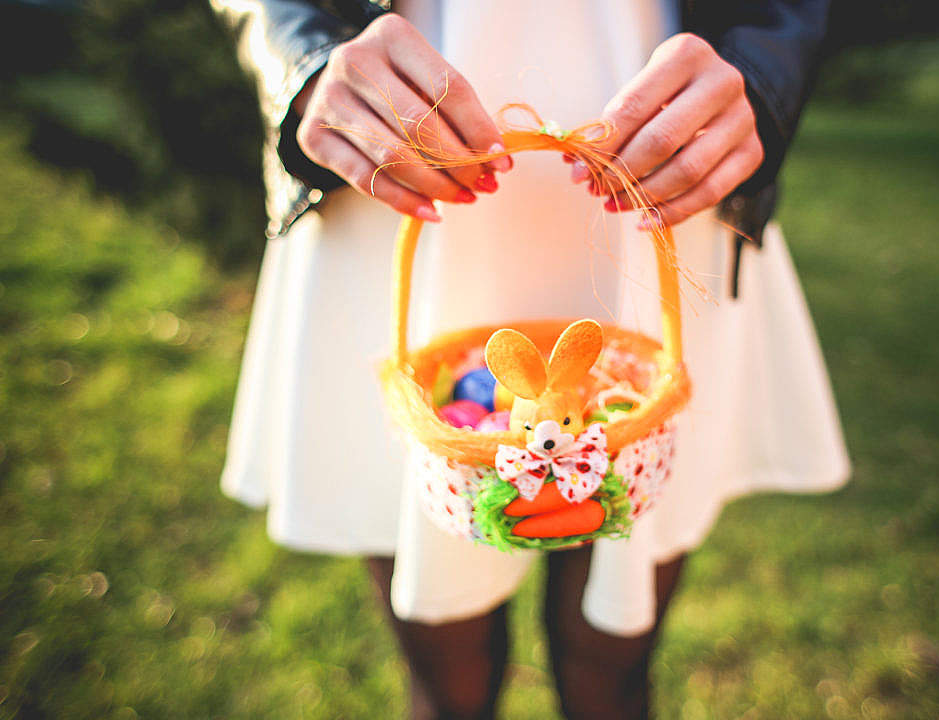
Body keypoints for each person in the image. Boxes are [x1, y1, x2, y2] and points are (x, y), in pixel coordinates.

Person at [211, 1, 850, 718]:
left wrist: (759, 79)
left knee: (615, 665)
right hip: (390, 159)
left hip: (669, 162)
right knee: (444, 675)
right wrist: (305, 63)